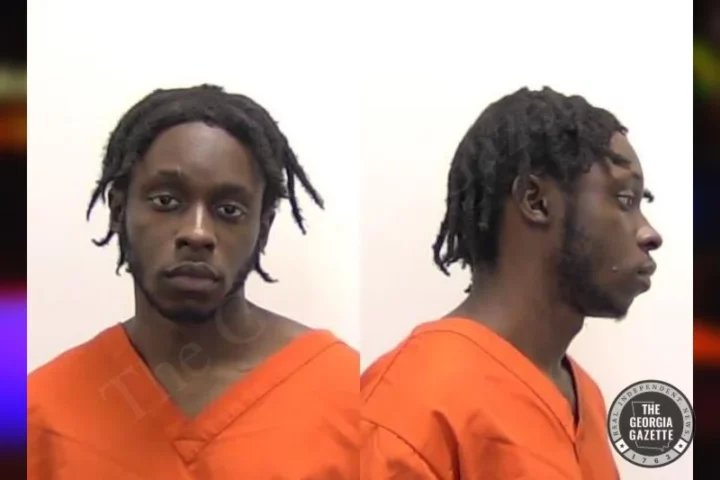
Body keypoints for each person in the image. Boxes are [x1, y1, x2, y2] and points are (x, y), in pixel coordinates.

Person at [28, 85, 358, 479]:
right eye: (166, 201)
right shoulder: (39, 412)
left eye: (229, 209)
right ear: (118, 210)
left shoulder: (346, 395)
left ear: (263, 228)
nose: (197, 233)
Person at [361, 87, 662, 479]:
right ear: (535, 200)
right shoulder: (409, 406)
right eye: (624, 200)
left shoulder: (584, 395)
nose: (650, 234)